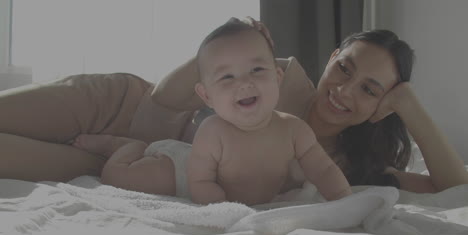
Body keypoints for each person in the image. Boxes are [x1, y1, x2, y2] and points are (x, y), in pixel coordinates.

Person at [155, 17, 468, 194]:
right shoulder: (281, 79)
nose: (343, 91)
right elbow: (163, 97)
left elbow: (457, 190)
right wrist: (220, 54)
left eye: (369, 90)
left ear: (381, 106)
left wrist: (409, 105)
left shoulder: (355, 166)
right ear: (332, 58)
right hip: (163, 148)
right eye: (344, 68)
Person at [73, 18, 352, 205]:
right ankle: (123, 146)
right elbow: (200, 181)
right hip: (184, 172)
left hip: (229, 187)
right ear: (207, 96)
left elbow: (323, 168)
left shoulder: (294, 129)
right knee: (118, 179)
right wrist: (220, 207)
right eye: (226, 78)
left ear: (277, 77)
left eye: (257, 70)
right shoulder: (213, 130)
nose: (245, 83)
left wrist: (344, 200)